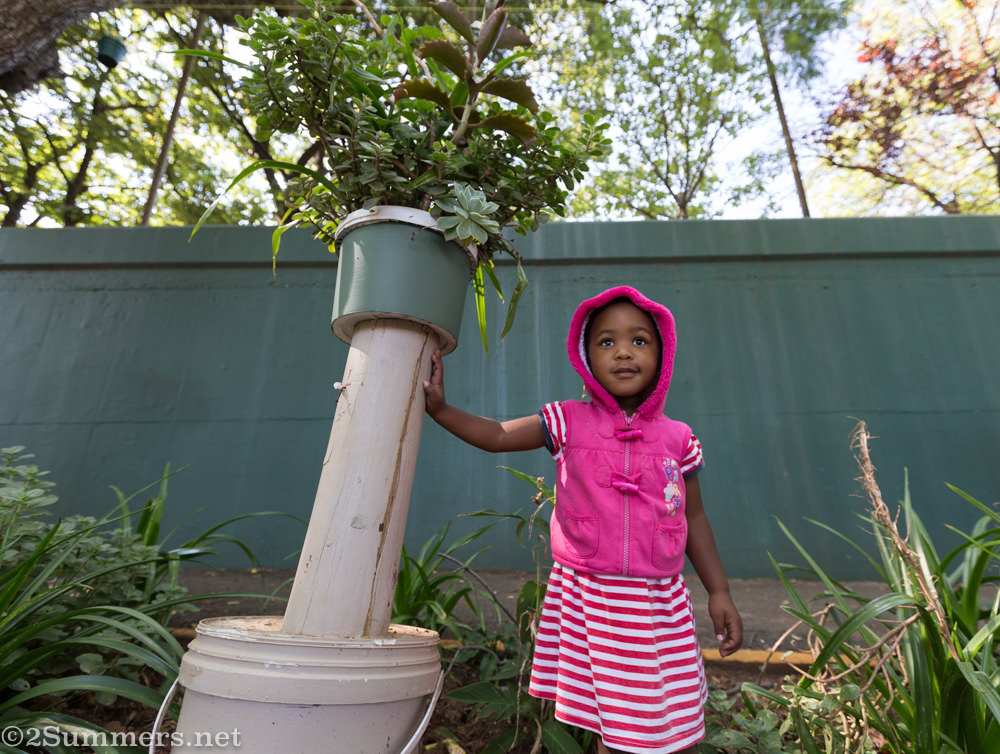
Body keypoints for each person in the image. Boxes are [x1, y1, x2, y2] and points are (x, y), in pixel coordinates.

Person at [423, 285, 743, 754]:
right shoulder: (566, 421)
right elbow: (494, 435)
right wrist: (441, 409)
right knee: (615, 726)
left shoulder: (679, 439)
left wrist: (719, 590)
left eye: (639, 340)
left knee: (673, 717)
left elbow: (693, 515)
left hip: (659, 606)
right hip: (592, 599)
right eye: (606, 342)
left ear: (663, 352)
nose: (623, 352)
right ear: (585, 356)